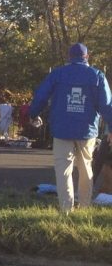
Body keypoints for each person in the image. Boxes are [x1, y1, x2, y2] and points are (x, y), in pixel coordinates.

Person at [28, 43, 112, 213]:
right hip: (86, 131)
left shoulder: (57, 74)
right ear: (87, 57)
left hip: (62, 129)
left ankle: (66, 209)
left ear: (69, 57)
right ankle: (84, 206)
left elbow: (41, 95)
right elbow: (107, 105)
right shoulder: (97, 75)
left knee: (63, 169)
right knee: (85, 166)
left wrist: (33, 114)